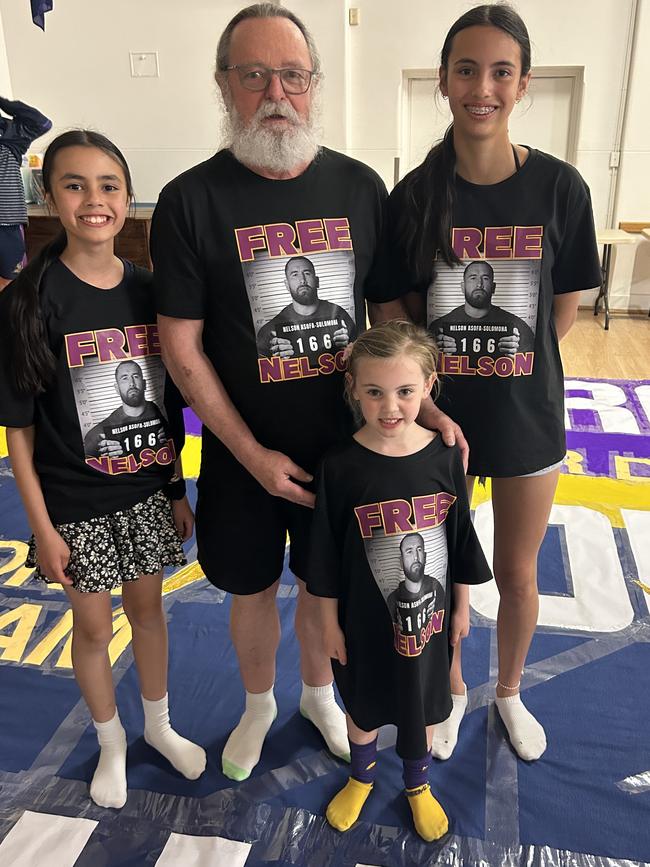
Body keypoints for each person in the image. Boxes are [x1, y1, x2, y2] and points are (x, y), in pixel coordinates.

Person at [150, 3, 465, 783]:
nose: (274, 92)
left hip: (350, 451)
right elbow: (179, 345)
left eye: (291, 74)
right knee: (252, 586)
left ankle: (322, 695)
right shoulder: (190, 201)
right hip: (241, 450)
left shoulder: (359, 186)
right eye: (253, 74)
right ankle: (260, 702)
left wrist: (420, 405)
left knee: (334, 588)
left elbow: (388, 316)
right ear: (225, 84)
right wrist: (251, 453)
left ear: (315, 84)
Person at [386, 4, 601, 761]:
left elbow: (560, 315)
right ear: (444, 81)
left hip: (524, 416)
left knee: (515, 568)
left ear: (523, 84)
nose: (483, 86)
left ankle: (507, 691)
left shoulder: (561, 188)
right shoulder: (413, 196)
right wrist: (434, 400)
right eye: (467, 69)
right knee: (440, 569)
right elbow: (394, 312)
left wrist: (501, 366)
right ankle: (450, 688)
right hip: (435, 420)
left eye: (500, 71)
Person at [0, 130, 206, 809]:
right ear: (50, 197)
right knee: (93, 627)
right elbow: (20, 432)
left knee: (149, 612)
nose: (94, 200)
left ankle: (159, 726)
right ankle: (111, 740)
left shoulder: (151, 291)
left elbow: (168, 404)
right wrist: (42, 526)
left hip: (146, 491)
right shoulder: (29, 299)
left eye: (108, 185)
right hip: (73, 503)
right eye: (75, 185)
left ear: (126, 196)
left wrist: (175, 486)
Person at [307, 321, 492, 841]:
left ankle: (417, 785)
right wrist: (328, 624)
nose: (390, 407)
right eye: (374, 392)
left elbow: (459, 540)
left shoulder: (444, 457)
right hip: (361, 622)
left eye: (406, 391)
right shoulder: (340, 466)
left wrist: (460, 608)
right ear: (354, 390)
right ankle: (362, 777)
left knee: (421, 705)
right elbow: (321, 556)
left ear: (429, 385)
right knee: (362, 704)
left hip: (427, 625)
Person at [255, 255, 356, 365]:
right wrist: (275, 361)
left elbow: (361, 353)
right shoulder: (270, 330)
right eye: (295, 275)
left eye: (307, 273)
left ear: (317, 281)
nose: (302, 280)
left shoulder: (340, 315)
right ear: (287, 285)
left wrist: (349, 347)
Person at [431, 260, 535, 363]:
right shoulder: (438, 327)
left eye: (485, 278)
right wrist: (436, 351)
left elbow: (529, 367)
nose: (479, 284)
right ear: (463, 287)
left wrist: (517, 355)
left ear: (493, 287)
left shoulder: (519, 329)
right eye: (473, 278)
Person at [0, 95, 52, 291]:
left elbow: (42, 123)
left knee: (13, 283)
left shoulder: (9, 136)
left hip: (8, 222)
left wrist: (3, 102)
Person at [83, 359, 169, 459]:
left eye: (135, 376)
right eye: (125, 378)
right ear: (117, 388)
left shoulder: (162, 413)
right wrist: (104, 458)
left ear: (144, 383)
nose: (131, 383)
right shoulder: (101, 432)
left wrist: (171, 435)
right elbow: (85, 460)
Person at [387, 532, 446, 647]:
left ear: (425, 556)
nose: (416, 557)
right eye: (409, 552)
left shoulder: (436, 587)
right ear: (401, 561)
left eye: (419, 550)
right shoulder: (392, 599)